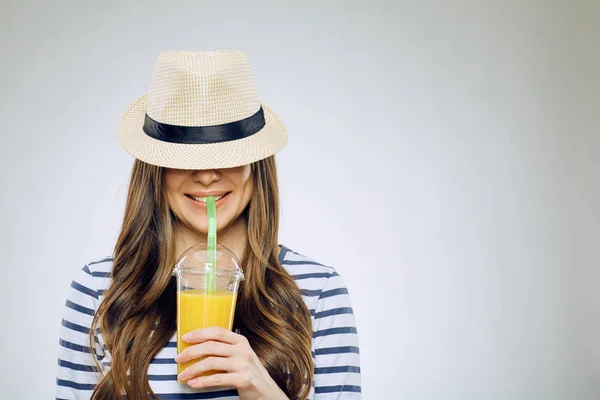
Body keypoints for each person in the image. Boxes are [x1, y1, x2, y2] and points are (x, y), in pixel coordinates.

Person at [56, 50, 361, 400]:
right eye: (183, 157)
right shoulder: (100, 289)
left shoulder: (318, 291)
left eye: (227, 153)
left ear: (255, 164)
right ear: (155, 168)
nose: (206, 175)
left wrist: (260, 388)